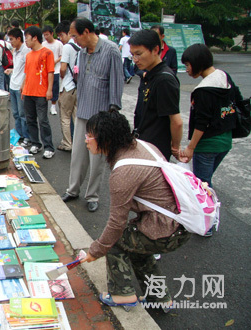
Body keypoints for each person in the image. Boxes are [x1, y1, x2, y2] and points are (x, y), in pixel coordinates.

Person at [80, 110, 191, 311]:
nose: (85, 140)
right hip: (179, 222)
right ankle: (161, 298)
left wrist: (95, 251)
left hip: (168, 229)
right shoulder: (142, 146)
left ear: (105, 139)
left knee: (116, 241)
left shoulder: (124, 172)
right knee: (137, 247)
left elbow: (116, 224)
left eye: (89, 135)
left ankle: (123, 295)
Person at [62, 18, 123, 212]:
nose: (73, 39)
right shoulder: (81, 53)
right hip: (83, 111)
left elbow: (116, 81)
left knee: (97, 159)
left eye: (75, 35)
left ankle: (92, 195)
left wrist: (113, 109)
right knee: (78, 155)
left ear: (86, 32)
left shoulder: (111, 50)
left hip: (102, 114)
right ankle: (73, 190)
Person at [179, 44, 241, 189]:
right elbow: (238, 99)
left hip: (208, 144)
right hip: (225, 141)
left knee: (202, 187)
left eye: (188, 65)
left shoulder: (203, 90)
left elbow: (202, 122)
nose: (186, 69)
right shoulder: (225, 77)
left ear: (198, 62)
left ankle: (209, 211)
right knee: (205, 182)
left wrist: (190, 147)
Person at [130, 29, 183, 162]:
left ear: (155, 50)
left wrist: (175, 147)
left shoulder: (164, 80)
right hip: (144, 143)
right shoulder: (149, 74)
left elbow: (176, 122)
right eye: (132, 55)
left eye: (139, 54)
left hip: (155, 149)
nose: (135, 60)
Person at [22, 26, 56, 159]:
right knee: (30, 120)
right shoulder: (28, 55)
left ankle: (49, 147)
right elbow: (26, 73)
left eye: (27, 38)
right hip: (28, 92)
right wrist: (23, 88)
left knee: (43, 120)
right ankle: (36, 143)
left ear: (35, 38)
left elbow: (50, 72)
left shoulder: (47, 53)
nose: (26, 41)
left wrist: (49, 90)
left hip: (41, 92)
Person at [55, 20, 80, 151]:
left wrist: (62, 77)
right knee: (76, 116)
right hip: (77, 86)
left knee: (65, 116)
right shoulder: (80, 46)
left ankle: (67, 143)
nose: (60, 38)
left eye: (61, 35)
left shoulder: (67, 47)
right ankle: (79, 143)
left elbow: (63, 67)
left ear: (68, 33)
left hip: (68, 86)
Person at [6, 28, 31, 146]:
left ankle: (27, 137)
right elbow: (18, 67)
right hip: (12, 85)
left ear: (18, 38)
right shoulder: (15, 50)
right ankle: (19, 135)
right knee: (15, 114)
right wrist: (11, 70)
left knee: (22, 114)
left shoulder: (26, 51)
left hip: (21, 86)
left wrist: (24, 85)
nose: (10, 42)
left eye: (11, 39)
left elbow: (28, 70)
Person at [42, 26, 63, 115]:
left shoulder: (59, 44)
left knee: (54, 88)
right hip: (44, 70)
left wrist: (55, 61)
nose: (46, 37)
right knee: (44, 88)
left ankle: (53, 106)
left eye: (47, 34)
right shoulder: (43, 44)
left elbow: (62, 55)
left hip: (56, 70)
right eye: (44, 35)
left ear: (52, 34)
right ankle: (44, 105)